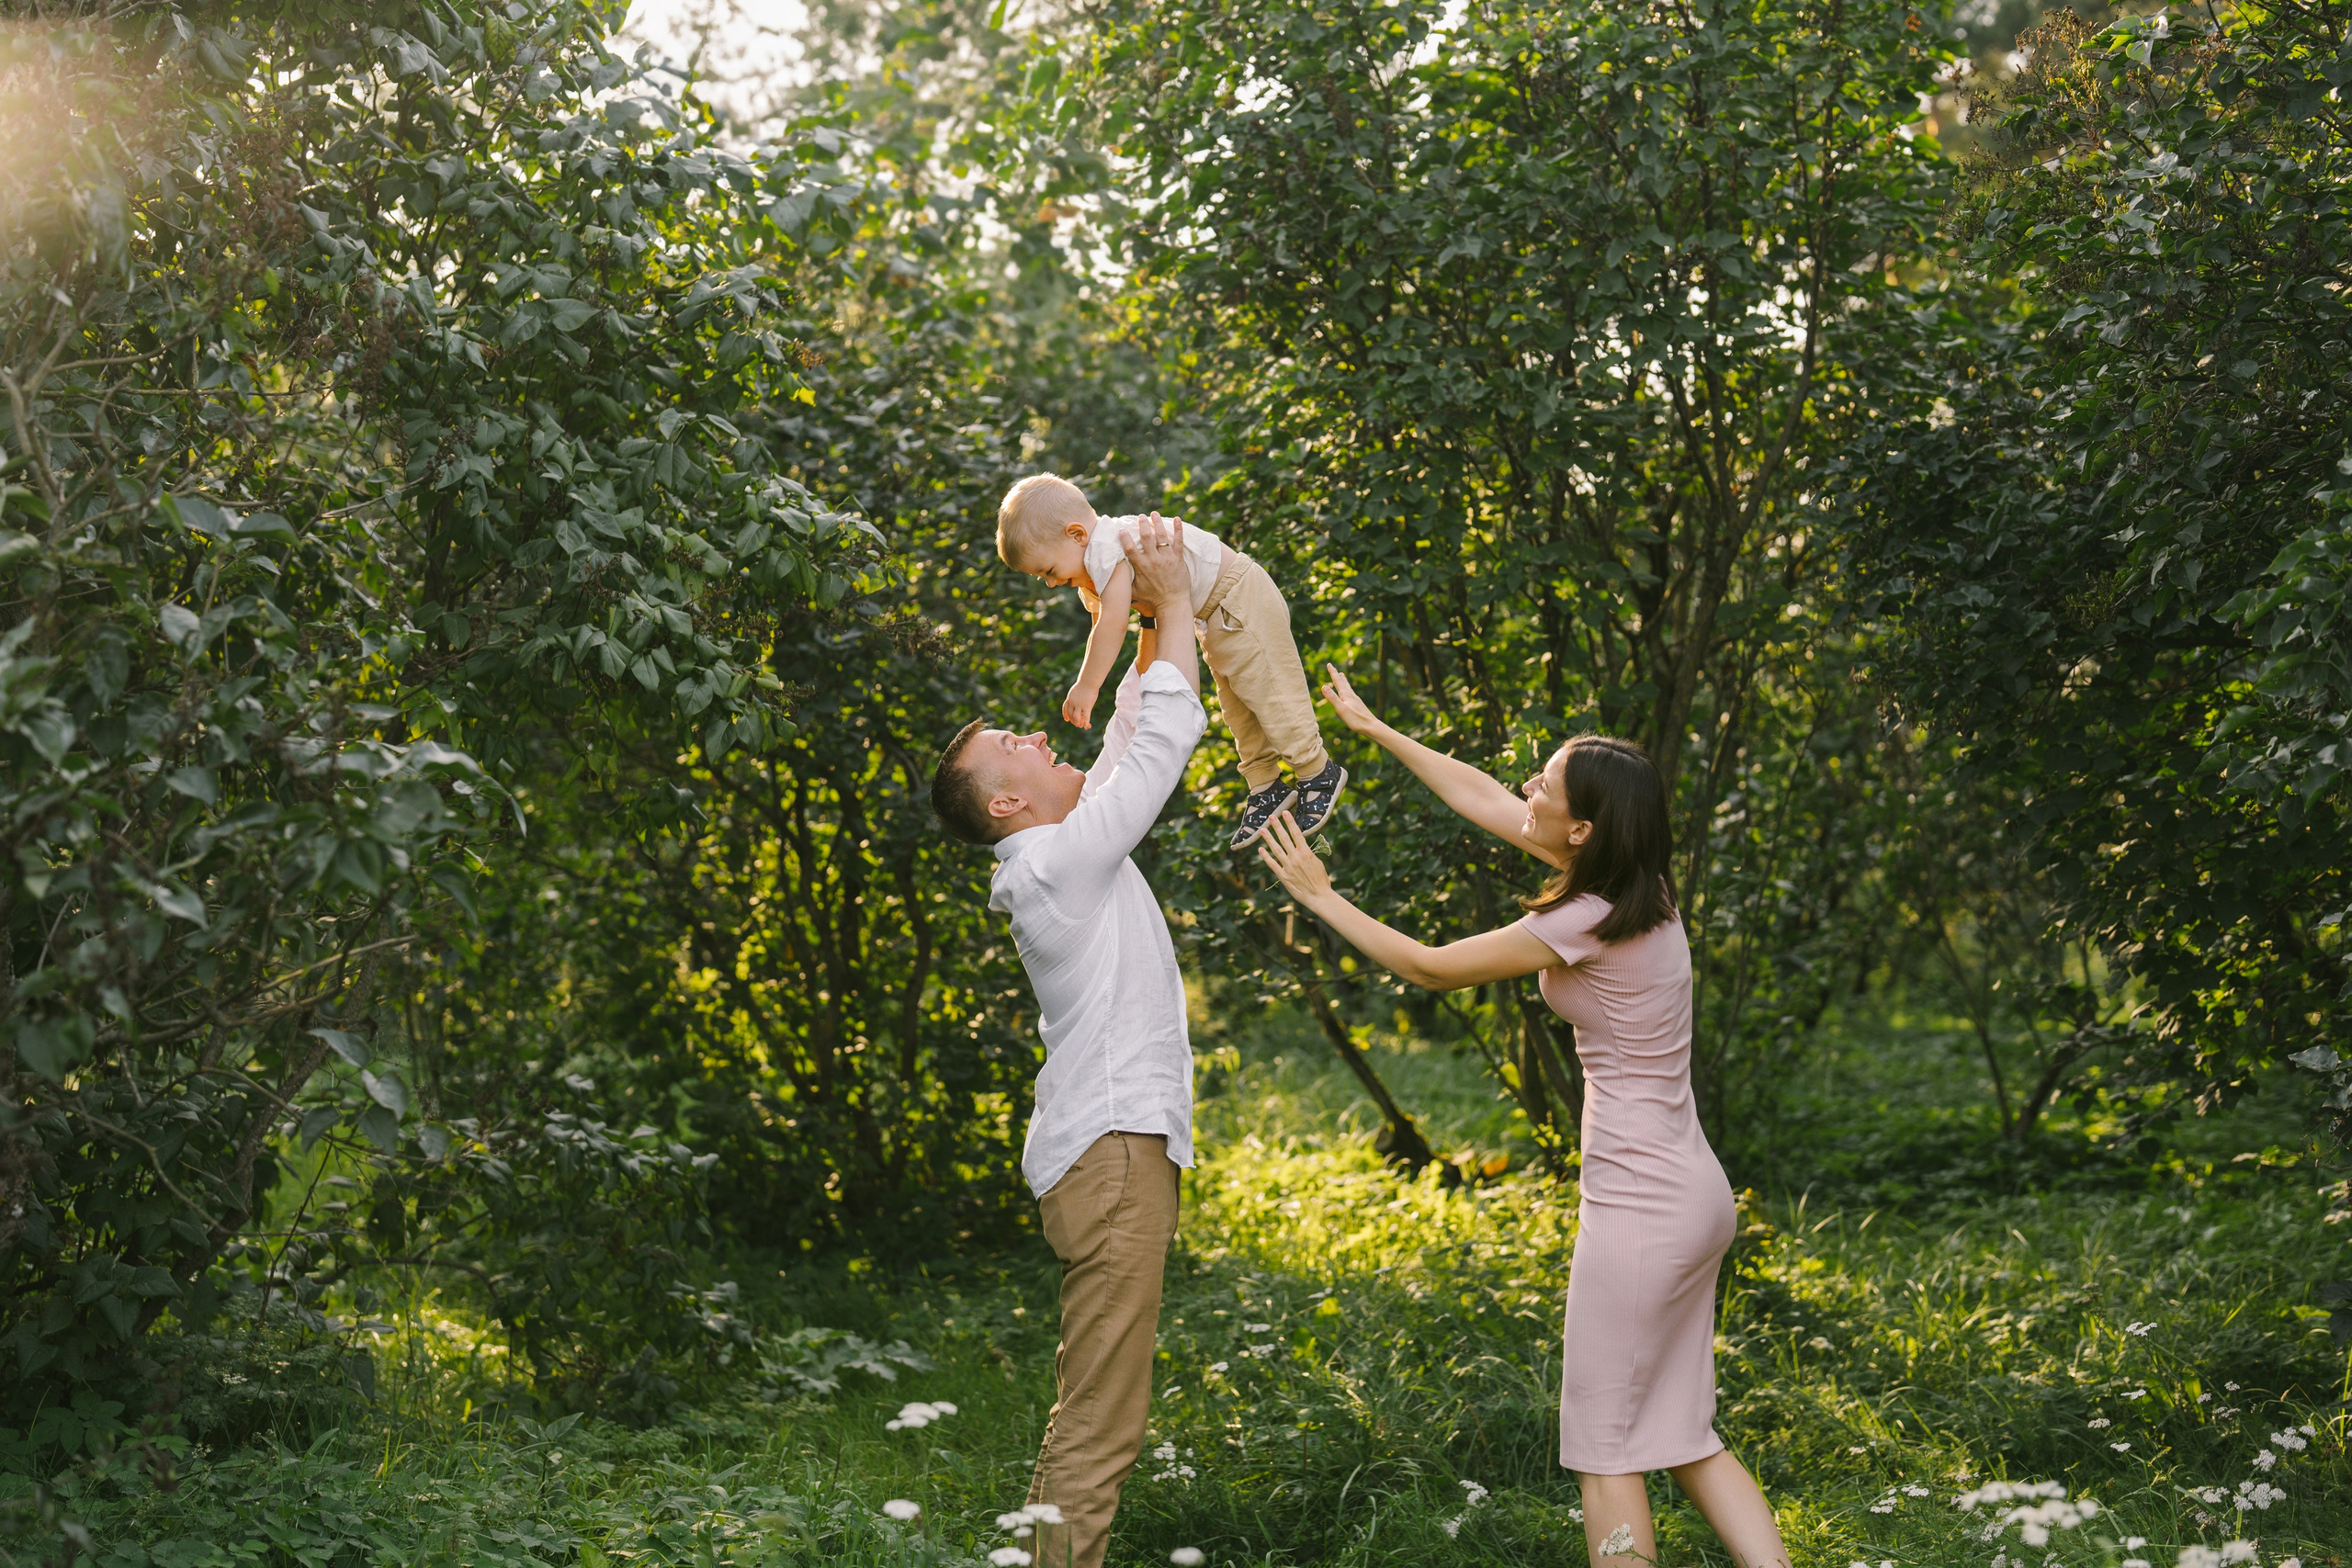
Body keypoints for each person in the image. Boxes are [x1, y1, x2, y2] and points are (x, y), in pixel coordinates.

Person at [1251, 666, 1793, 1568]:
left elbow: (1429, 967)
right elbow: (1484, 797)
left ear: (1581, 828)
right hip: (1690, 1198)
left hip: (1640, 1216)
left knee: (1605, 1451)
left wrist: (1320, 895)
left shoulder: (1587, 916)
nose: (1526, 790)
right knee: (1682, 1433)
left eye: (1544, 784)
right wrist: (1376, 729)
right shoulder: (1635, 887)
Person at [928, 513, 1206, 1568]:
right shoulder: (1049, 864)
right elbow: (1158, 757)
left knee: (1096, 1408)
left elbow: (1133, 733)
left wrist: (1141, 616)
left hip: (1111, 1153)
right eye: (1018, 745)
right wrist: (1175, 605)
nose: (1040, 737)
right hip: (1114, 1157)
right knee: (1100, 1418)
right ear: (1007, 803)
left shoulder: (1055, 853)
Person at [993, 471, 1346, 848]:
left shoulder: (1110, 548)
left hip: (1239, 597)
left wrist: (1087, 685)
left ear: (1077, 535)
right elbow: (1104, 621)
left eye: (1048, 571)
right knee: (1239, 707)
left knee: (1271, 692)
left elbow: (1111, 625)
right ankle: (1266, 785)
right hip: (1213, 616)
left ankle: (1316, 770)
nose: (1050, 582)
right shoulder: (1091, 570)